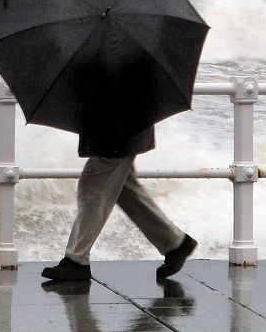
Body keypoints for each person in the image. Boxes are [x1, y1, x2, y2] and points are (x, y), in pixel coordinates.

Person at [40, 120, 196, 282]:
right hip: (121, 127)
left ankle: (76, 261)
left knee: (93, 185)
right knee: (124, 189)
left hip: (119, 128)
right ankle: (175, 243)